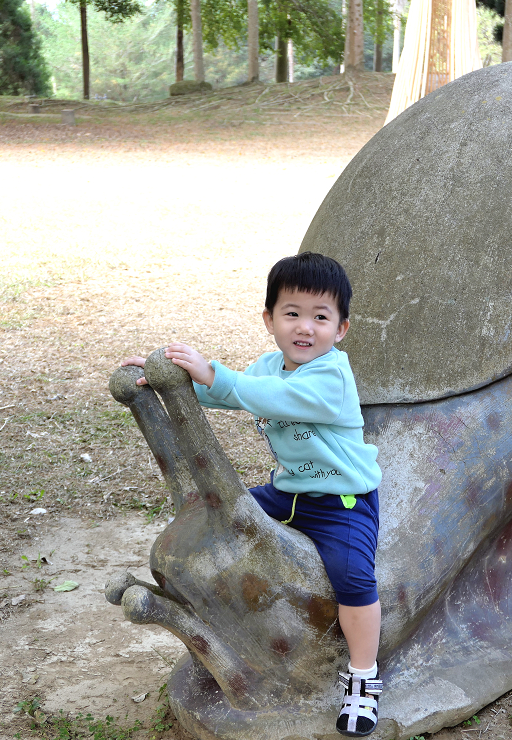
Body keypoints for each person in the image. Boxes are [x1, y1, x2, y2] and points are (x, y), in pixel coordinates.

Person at [121, 252, 383, 737]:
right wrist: (169, 385)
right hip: (289, 492)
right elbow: (226, 393)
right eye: (292, 313)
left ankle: (363, 678)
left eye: (321, 317)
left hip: (341, 502)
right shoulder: (267, 366)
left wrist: (214, 373)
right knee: (218, 514)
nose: (306, 327)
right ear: (269, 320)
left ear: (341, 329)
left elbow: (262, 396)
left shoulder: (331, 377)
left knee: (353, 579)